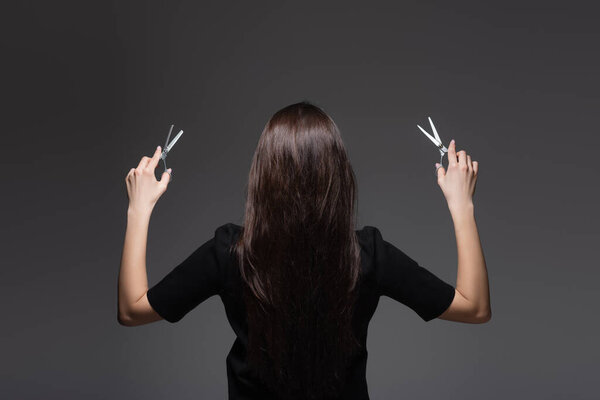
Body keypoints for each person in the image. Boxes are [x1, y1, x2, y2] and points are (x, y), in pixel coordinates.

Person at [117, 101, 491, 400]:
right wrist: (462, 205)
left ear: (263, 175)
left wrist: (139, 209)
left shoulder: (229, 252)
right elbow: (474, 308)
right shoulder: (367, 255)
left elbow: (132, 311)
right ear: (339, 175)